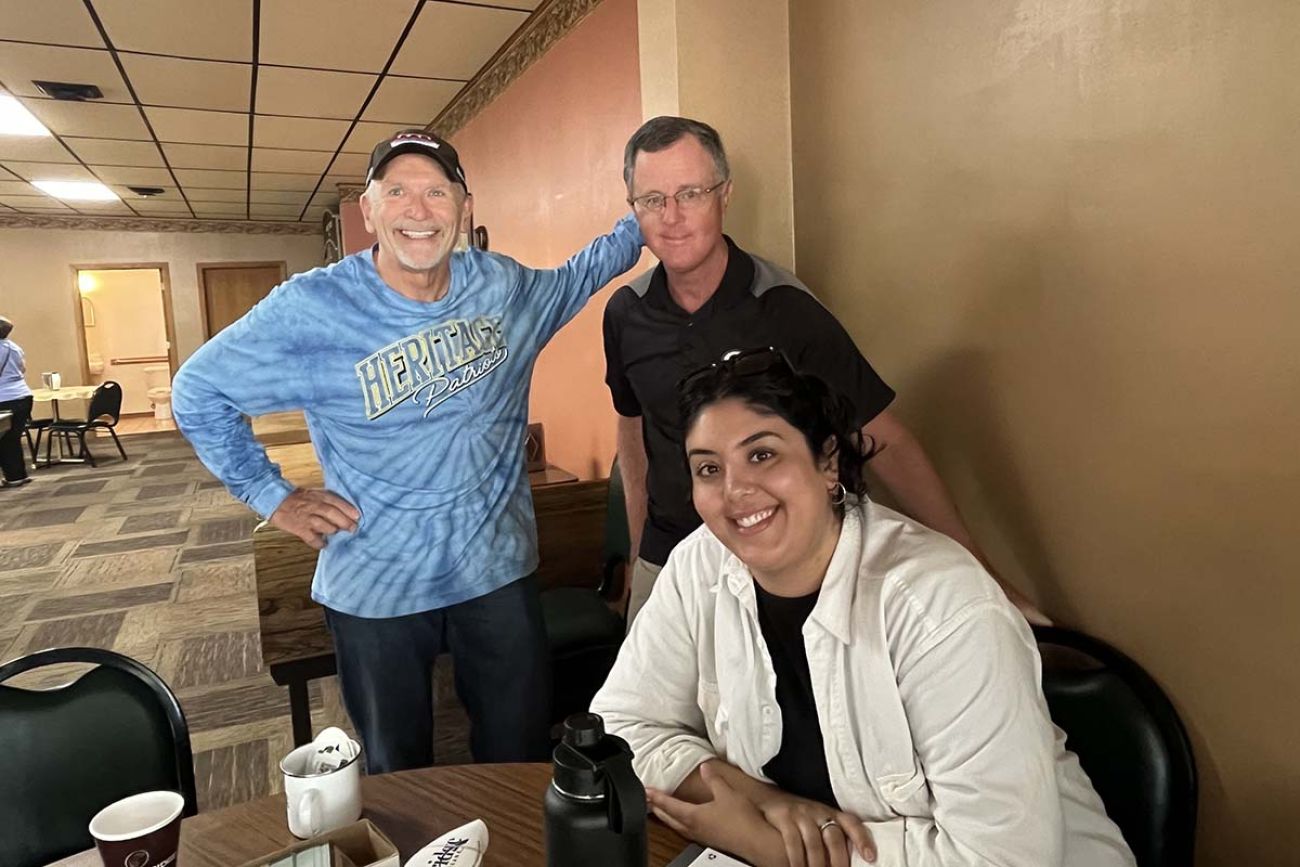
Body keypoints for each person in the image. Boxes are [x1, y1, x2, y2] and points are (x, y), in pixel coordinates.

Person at [172, 129, 644, 773]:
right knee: (398, 774)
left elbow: (580, 275)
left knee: (520, 757)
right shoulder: (312, 308)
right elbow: (198, 391)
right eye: (396, 191)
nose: (417, 210)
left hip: (495, 572)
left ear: (464, 206)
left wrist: (647, 214)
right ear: (368, 211)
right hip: (376, 584)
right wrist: (272, 495)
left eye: (435, 191)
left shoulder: (502, 288)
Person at [591, 350, 1135, 867]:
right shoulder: (698, 567)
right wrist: (755, 797)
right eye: (708, 469)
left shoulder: (941, 607)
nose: (735, 491)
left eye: (762, 454)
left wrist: (772, 846)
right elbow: (617, 727)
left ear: (828, 463)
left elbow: (1004, 857)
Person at [603, 116, 1046, 626]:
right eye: (653, 200)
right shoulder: (625, 313)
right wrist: (640, 549)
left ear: (725, 196)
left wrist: (981, 571)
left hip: (777, 559)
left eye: (691, 194)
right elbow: (632, 425)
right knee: (650, 705)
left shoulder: (784, 308)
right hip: (670, 559)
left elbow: (884, 440)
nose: (673, 217)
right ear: (633, 208)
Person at [0, 316, 34, 489]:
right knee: (12, 438)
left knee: (4, 439)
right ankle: (17, 475)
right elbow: (22, 369)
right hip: (22, 396)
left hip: (3, 398)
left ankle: (13, 476)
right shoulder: (14, 347)